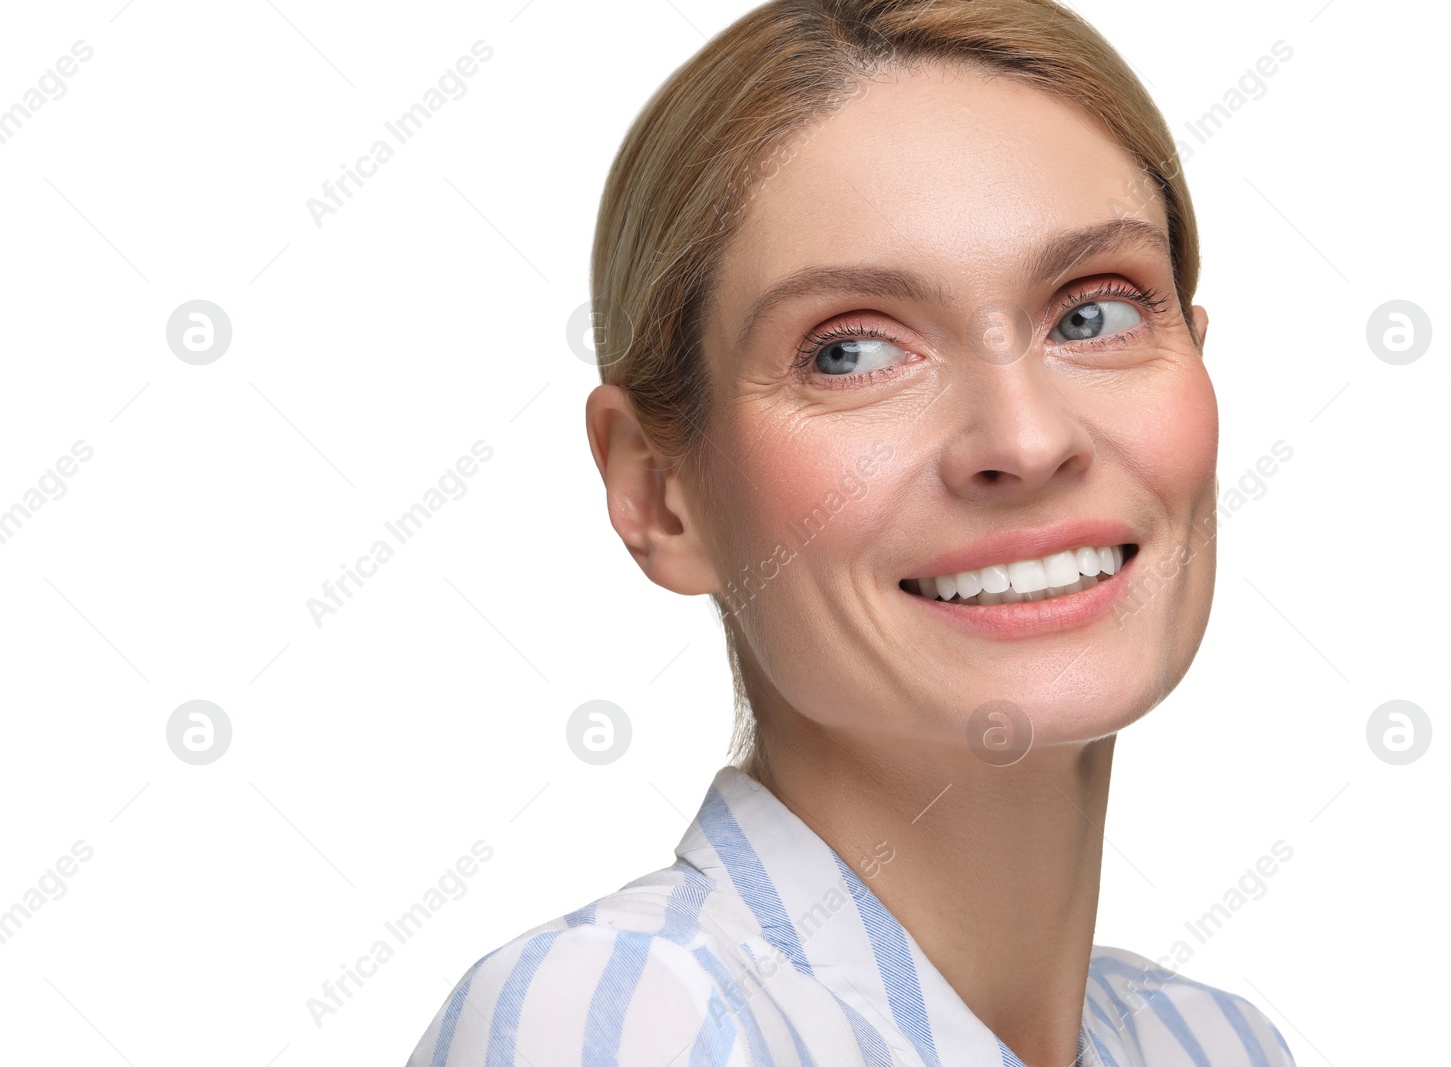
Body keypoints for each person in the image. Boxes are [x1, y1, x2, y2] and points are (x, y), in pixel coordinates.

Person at [407, 0, 1297, 1063]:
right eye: (852, 352)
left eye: (1091, 312)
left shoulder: (1212, 1040)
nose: (1023, 436)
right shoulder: (631, 1009)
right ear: (658, 491)